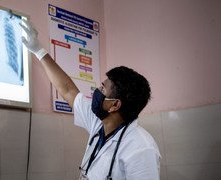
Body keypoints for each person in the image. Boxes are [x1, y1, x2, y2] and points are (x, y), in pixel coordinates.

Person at [20, 20, 161, 180]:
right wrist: (38, 50)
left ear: (115, 105)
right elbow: (67, 90)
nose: (97, 91)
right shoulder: (100, 123)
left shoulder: (141, 148)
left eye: (102, 88)